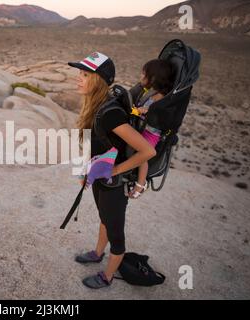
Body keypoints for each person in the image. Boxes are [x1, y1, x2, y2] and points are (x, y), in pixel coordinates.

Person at [68, 52, 156, 289]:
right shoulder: (94, 105)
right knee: (104, 218)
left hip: (113, 185)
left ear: (98, 81)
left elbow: (147, 151)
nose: (78, 78)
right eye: (79, 73)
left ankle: (106, 277)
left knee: (116, 234)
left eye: (85, 74)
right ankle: (97, 253)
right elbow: (91, 140)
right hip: (99, 179)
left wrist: (115, 170)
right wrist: (84, 170)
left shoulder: (111, 113)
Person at [128, 59, 175, 199]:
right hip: (143, 128)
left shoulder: (161, 98)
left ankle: (140, 184)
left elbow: (153, 112)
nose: (141, 76)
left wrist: (142, 110)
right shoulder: (151, 92)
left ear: (154, 78)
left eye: (144, 74)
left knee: (142, 155)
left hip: (151, 134)